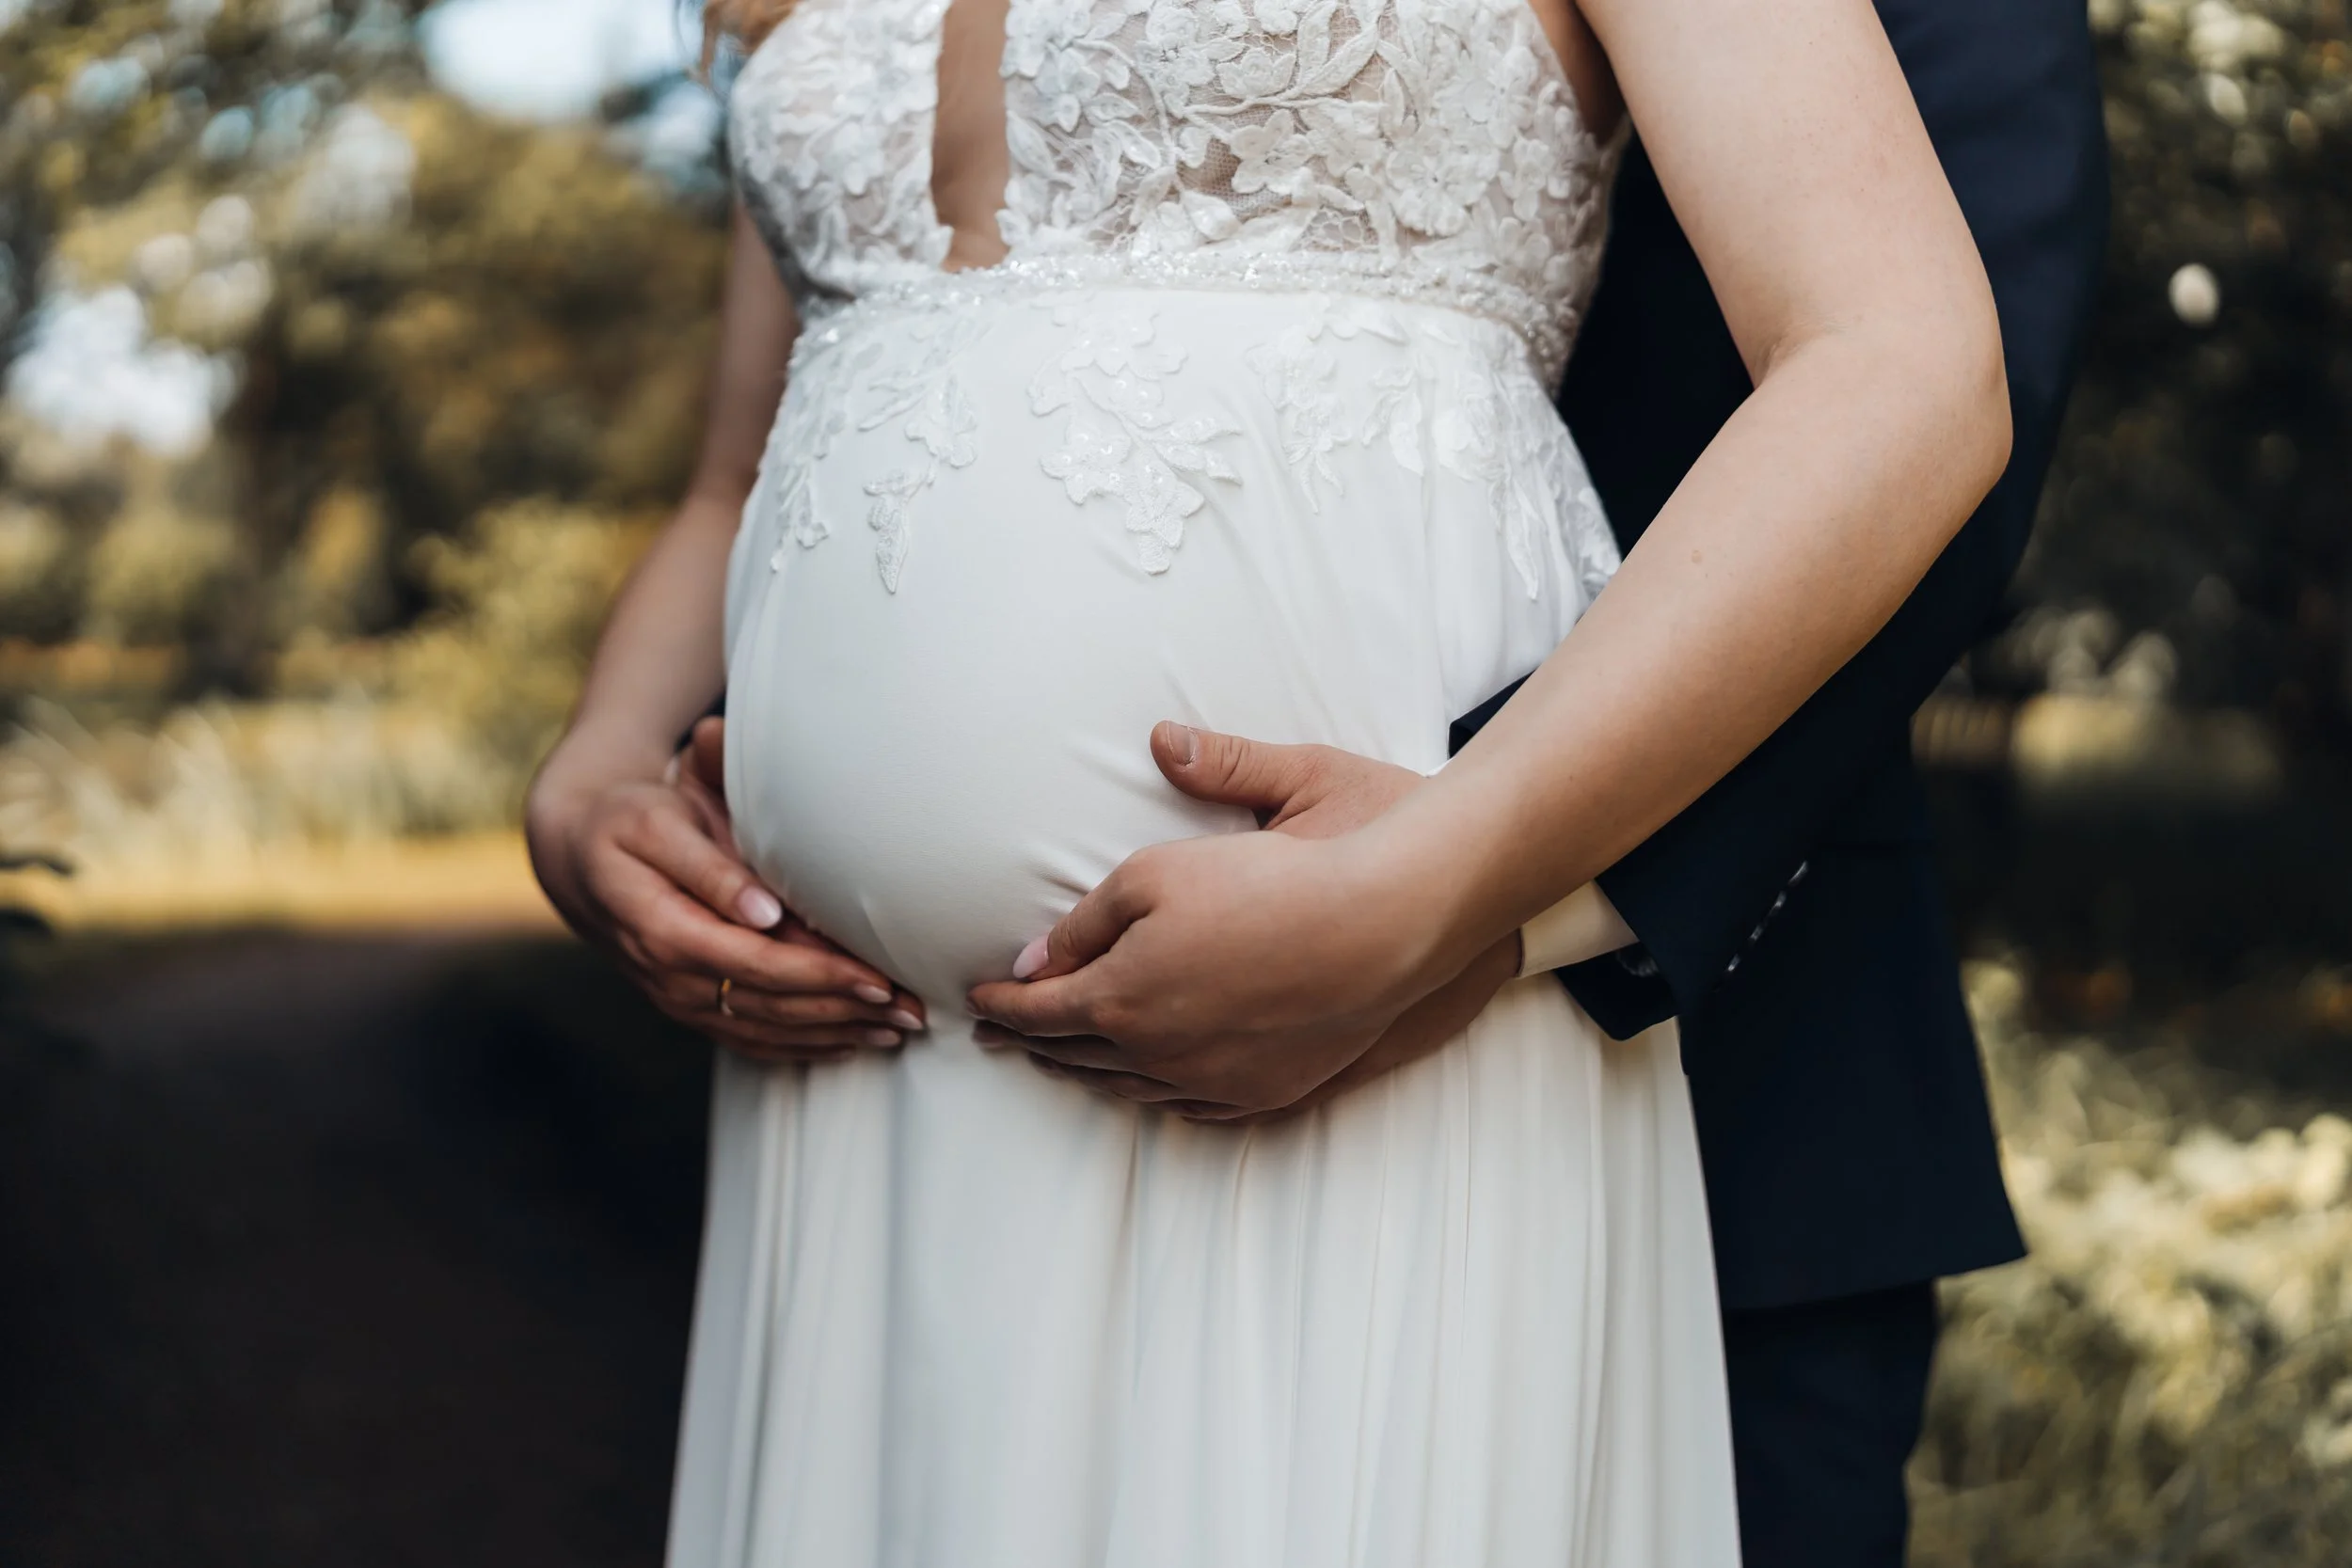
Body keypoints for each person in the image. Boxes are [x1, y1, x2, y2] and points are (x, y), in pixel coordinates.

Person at [526, 0, 2026, 1564]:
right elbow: (738, 468)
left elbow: (1899, 357)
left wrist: (1433, 881)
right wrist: (592, 770)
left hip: (1358, 1031)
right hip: (850, 1092)